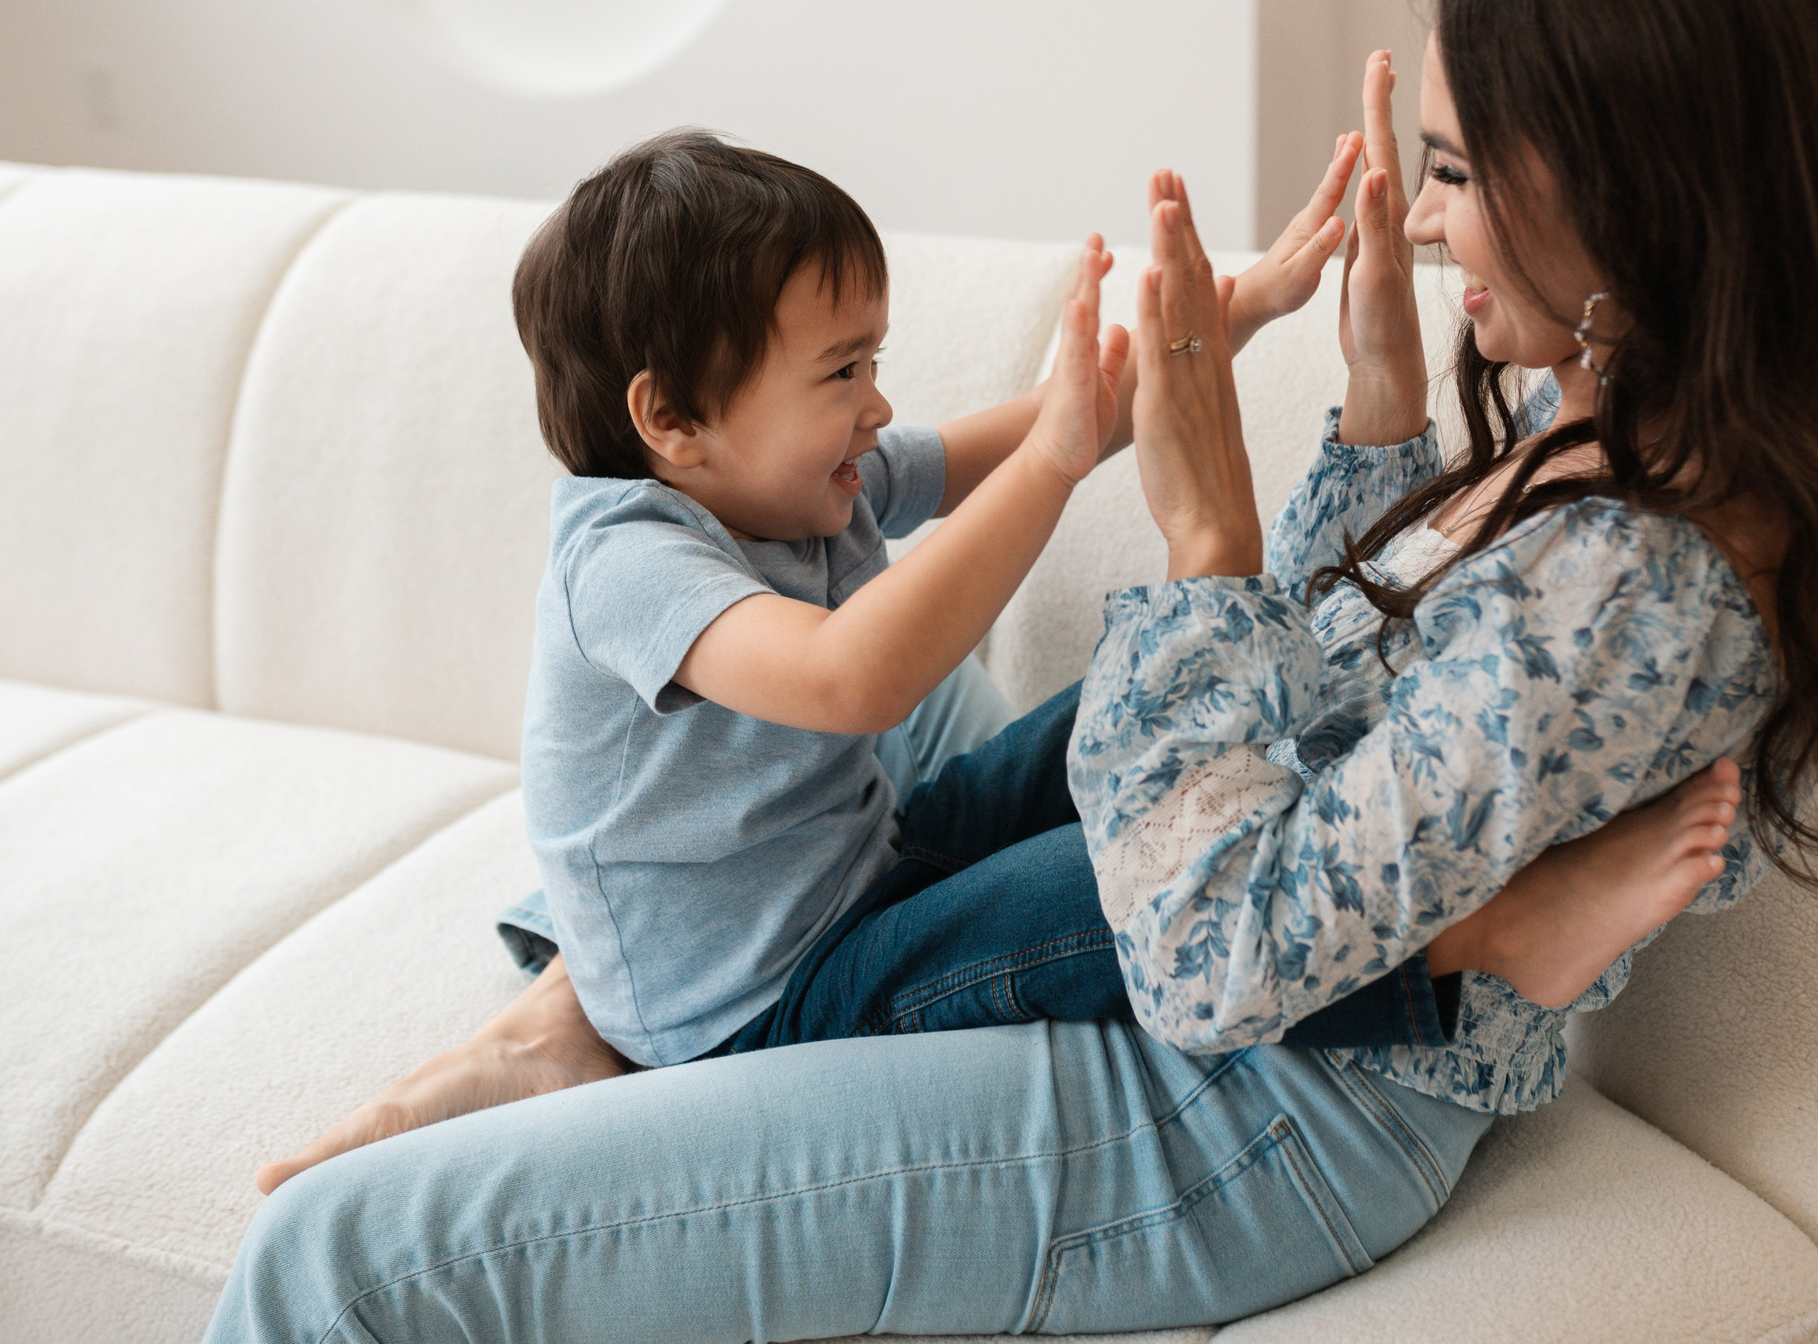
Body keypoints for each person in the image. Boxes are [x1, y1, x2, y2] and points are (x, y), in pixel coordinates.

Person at [208, 0, 1818, 1341]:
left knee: (330, 1255)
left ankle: (616, 1001)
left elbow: (1224, 945)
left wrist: (1205, 544)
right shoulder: (1591, 425)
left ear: (1625, 190)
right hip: (1260, 935)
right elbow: (1350, 674)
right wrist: (1383, 406)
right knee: (886, 742)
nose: (1429, 219)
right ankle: (594, 999)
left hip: (1269, 1089)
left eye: (1459, 172)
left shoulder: (1632, 579)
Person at [465, 128, 1453, 1095]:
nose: (878, 406)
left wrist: (1240, 310)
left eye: (874, 363)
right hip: (758, 1005)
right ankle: (1446, 938)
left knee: (1129, 702)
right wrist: (1049, 465)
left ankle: (1353, 727)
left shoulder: (806, 478)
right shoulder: (623, 561)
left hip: (867, 866)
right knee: (1122, 881)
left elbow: (1060, 418)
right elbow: (850, 678)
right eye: (842, 371)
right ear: (673, 419)